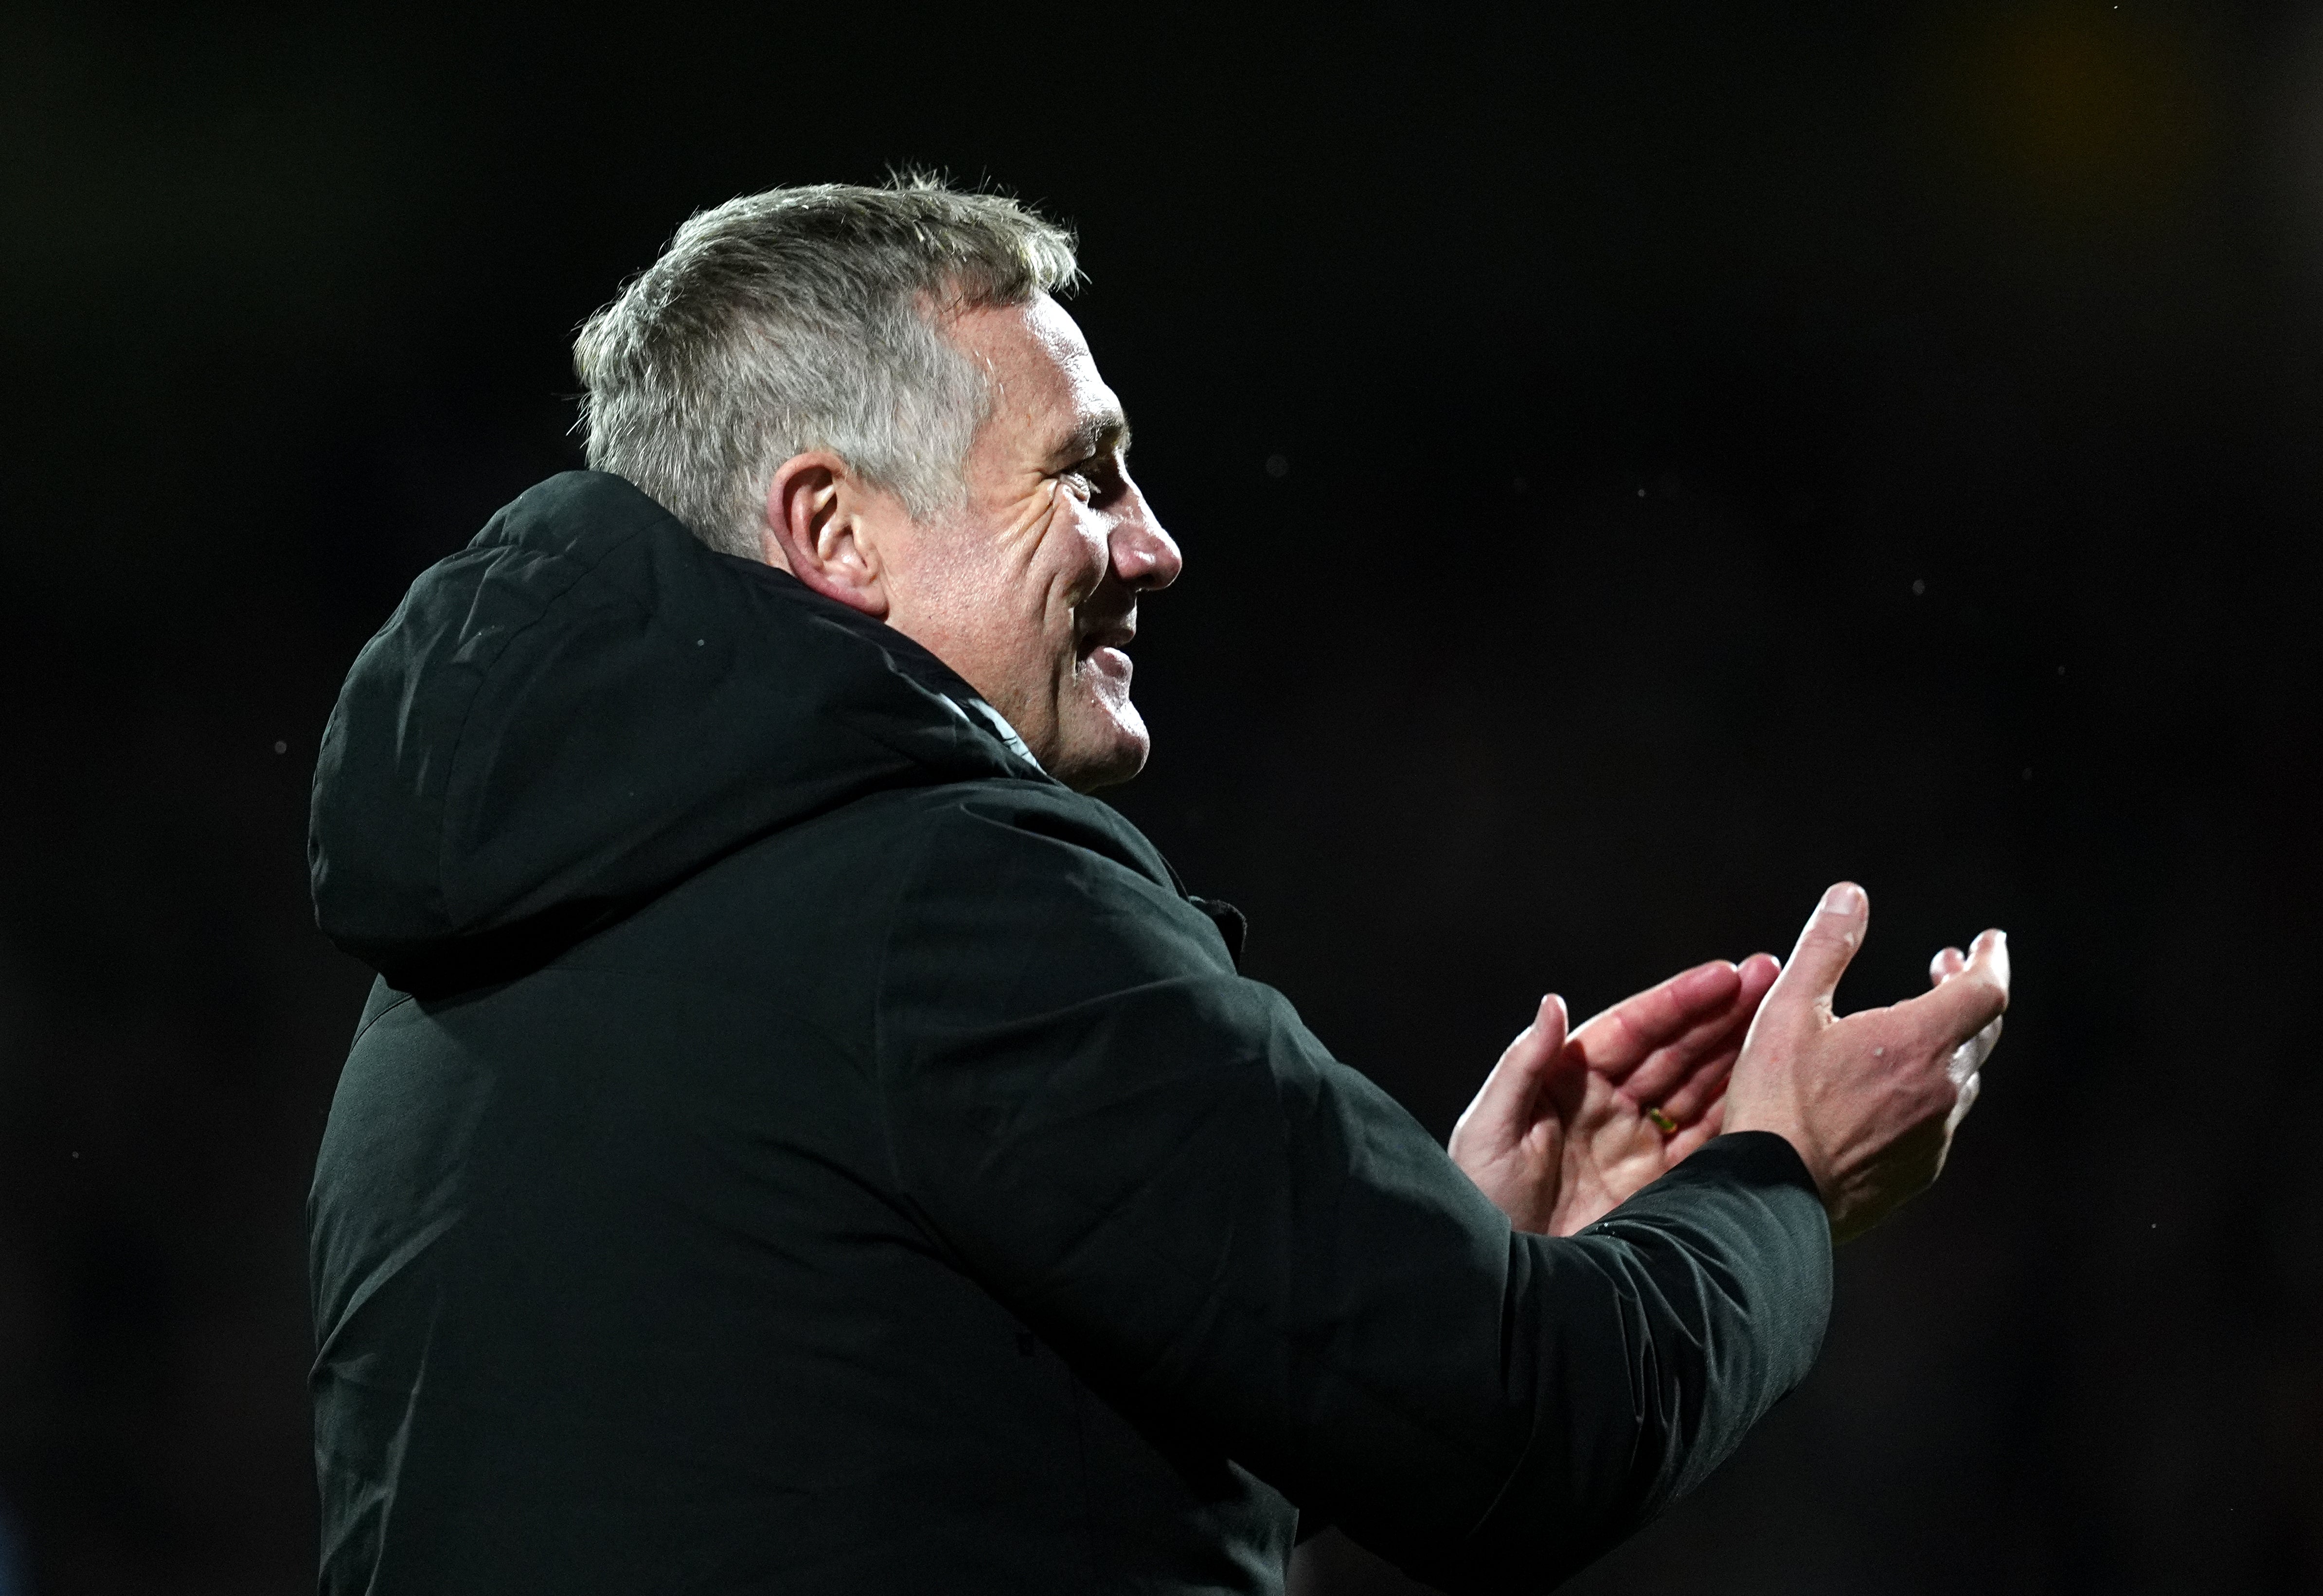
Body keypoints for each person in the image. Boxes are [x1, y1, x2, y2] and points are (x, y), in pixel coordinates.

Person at [305, 179, 2009, 1595]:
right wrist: (1780, 1176)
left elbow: (870, 1477)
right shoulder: (943, 892)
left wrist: (1409, 1270)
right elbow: (1542, 1430)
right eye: (1084, 473)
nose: (1156, 543)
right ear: (835, 532)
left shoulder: (441, 989)